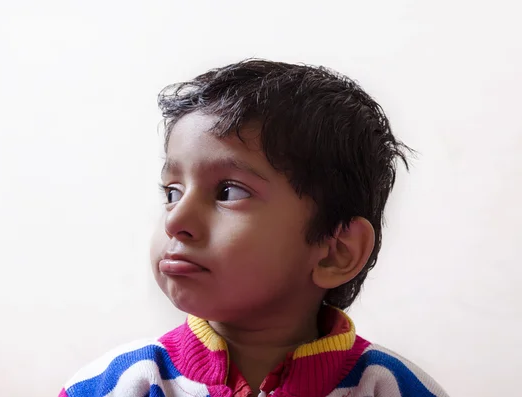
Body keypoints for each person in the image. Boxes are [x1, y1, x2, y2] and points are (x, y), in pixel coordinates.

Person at [58, 59, 448, 397]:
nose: (176, 221)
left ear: (335, 251)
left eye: (228, 192)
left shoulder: (394, 387)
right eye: (172, 192)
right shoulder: (114, 385)